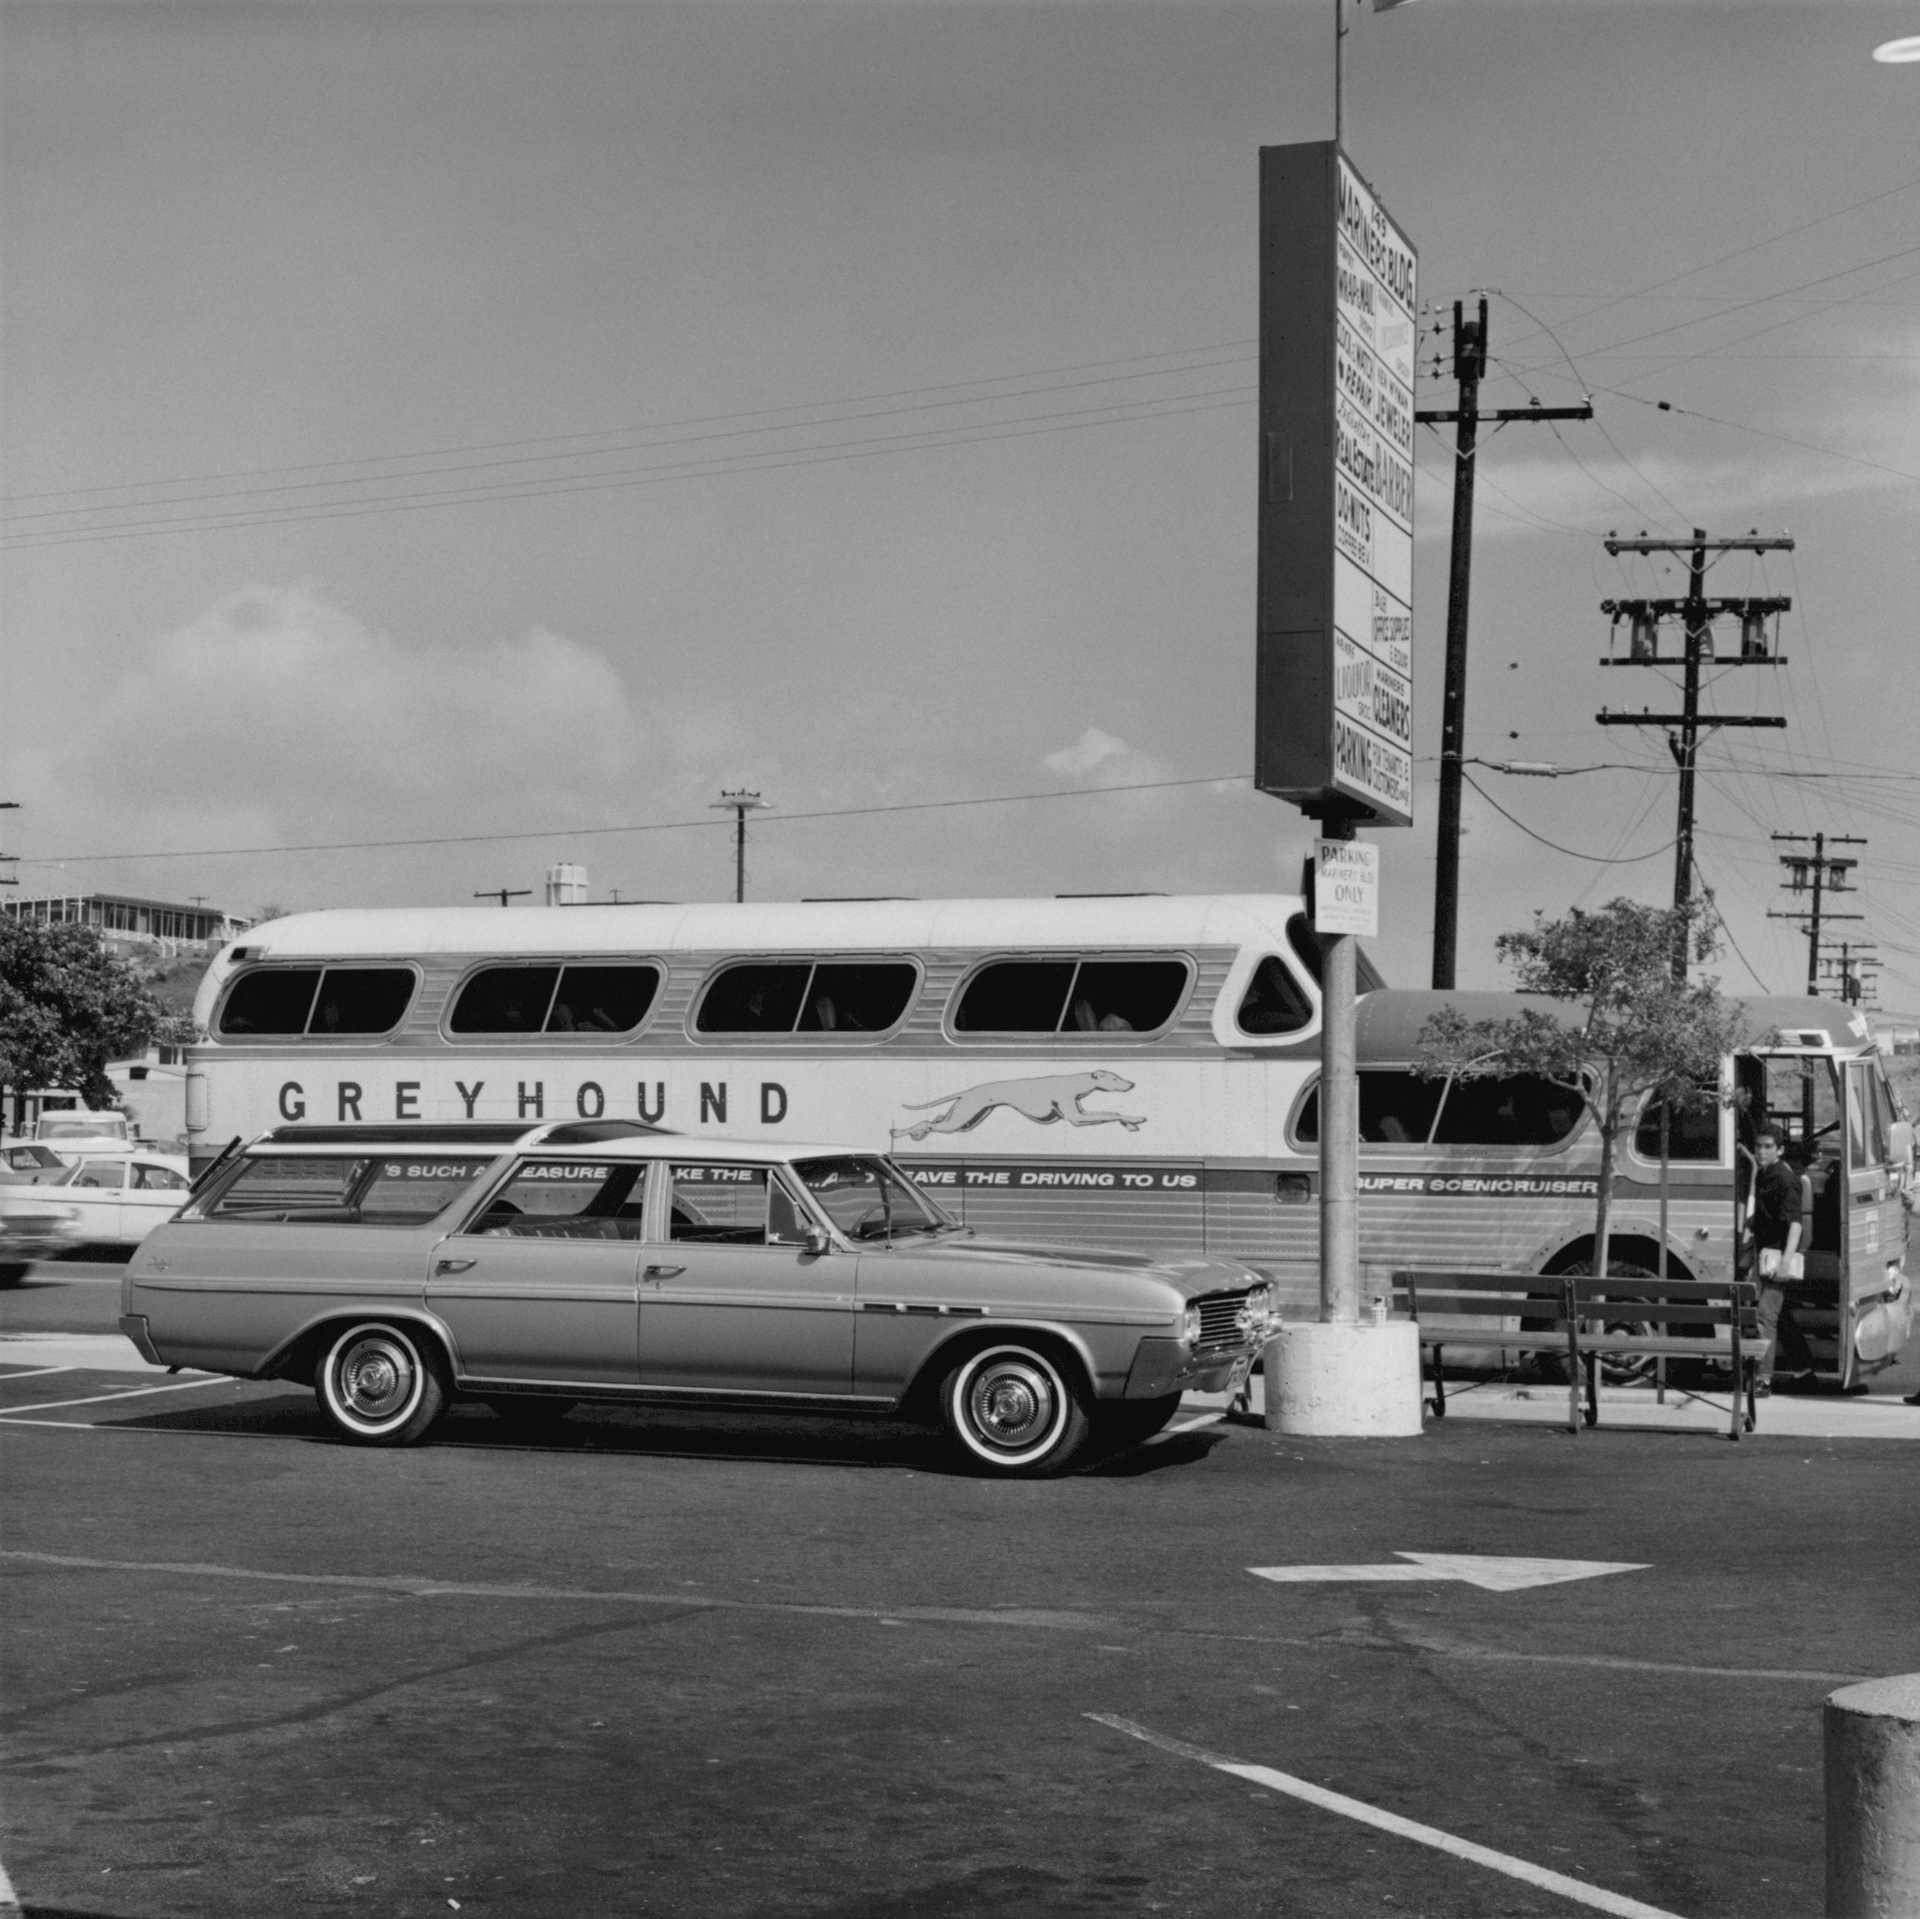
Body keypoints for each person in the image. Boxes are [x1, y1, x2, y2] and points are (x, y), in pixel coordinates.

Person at [1747, 1126, 1811, 1395]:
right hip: (1764, 1255)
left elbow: (1795, 1224)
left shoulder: (1785, 1179)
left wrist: (1786, 1262)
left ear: (1780, 1149)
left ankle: (1763, 1380)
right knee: (1779, 1317)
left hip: (1776, 1258)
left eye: (1768, 1147)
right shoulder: (1764, 1174)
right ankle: (1804, 1370)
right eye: (1759, 1146)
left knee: (1765, 1318)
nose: (1762, 1151)